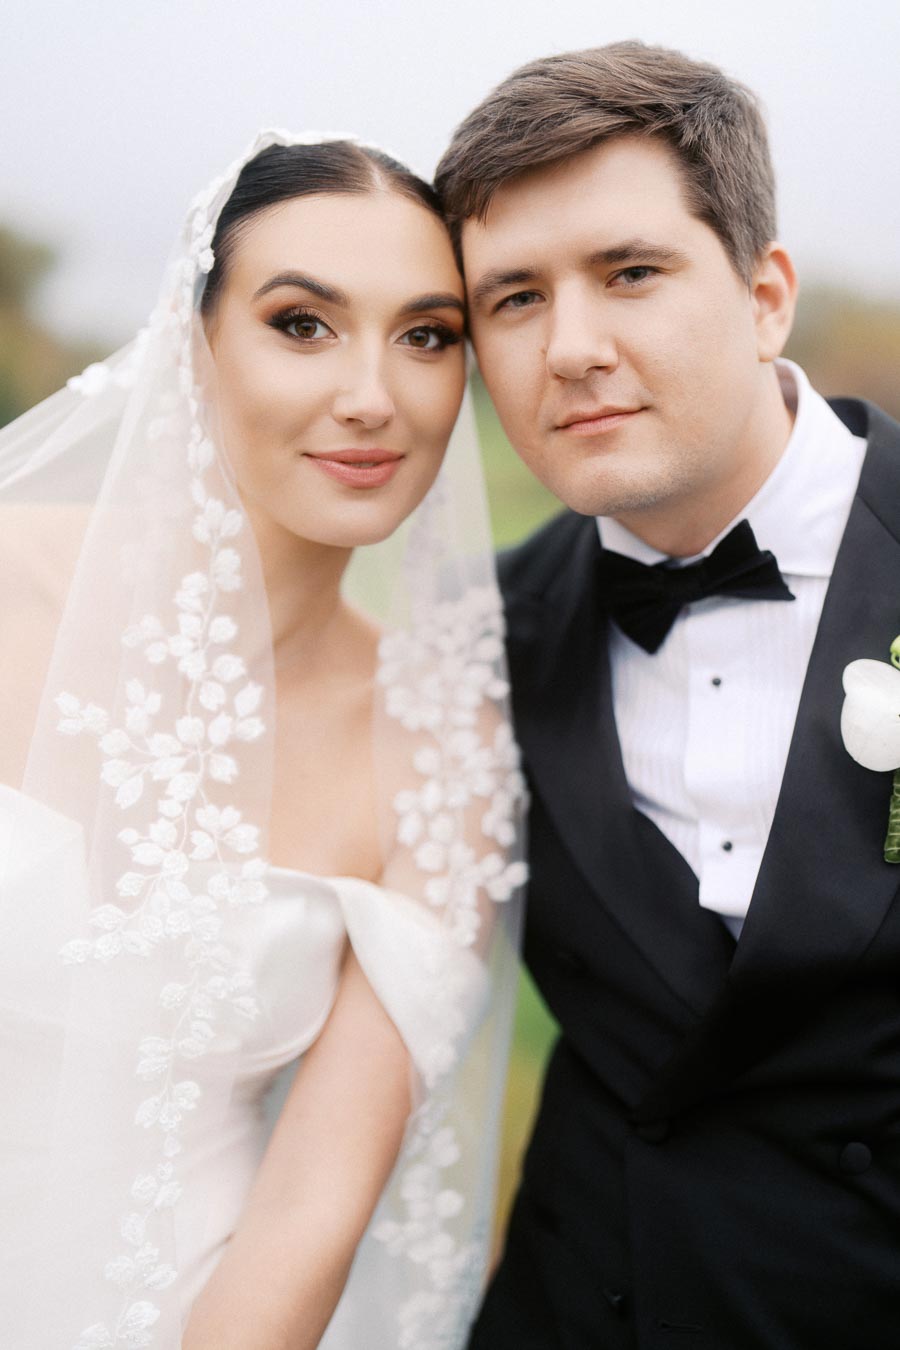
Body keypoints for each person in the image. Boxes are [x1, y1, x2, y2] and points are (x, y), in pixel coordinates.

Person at [0, 131, 526, 1349]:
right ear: (195, 348)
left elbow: (310, 1212)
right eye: (303, 323)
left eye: (428, 335)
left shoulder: (442, 746)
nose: (373, 395)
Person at [435, 41, 900, 1350]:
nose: (570, 348)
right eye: (513, 299)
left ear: (765, 296)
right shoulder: (478, 632)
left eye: (630, 272)